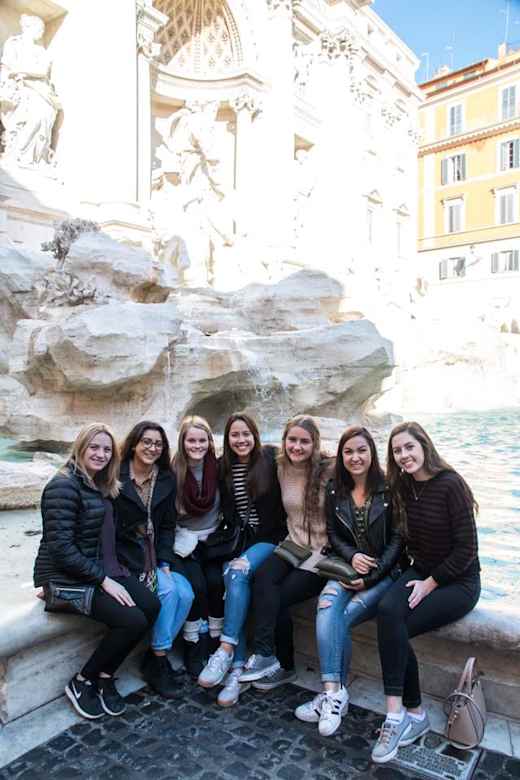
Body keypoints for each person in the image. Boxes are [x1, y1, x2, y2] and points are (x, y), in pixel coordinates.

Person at [33, 423, 160, 720]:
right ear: (80, 447)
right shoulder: (62, 485)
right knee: (131, 620)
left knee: (152, 605)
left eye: (106, 449)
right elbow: (61, 549)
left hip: (97, 569)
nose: (101, 454)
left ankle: (104, 677)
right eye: (94, 447)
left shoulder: (99, 484)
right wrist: (104, 581)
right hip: (64, 578)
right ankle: (82, 681)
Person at [371, 421, 480, 764]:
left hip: (459, 581)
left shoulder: (451, 485)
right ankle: (405, 714)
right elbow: (403, 539)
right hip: (421, 571)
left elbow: (467, 549)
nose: (404, 456)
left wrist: (431, 582)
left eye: (409, 447)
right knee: (388, 612)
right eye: (397, 451)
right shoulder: (403, 487)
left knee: (397, 626)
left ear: (424, 446)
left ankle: (409, 716)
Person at [295, 426, 403, 736]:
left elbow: (398, 541)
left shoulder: (390, 489)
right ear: (341, 456)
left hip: (384, 574)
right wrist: (353, 556)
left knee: (343, 615)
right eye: (348, 452)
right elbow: (333, 534)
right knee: (327, 606)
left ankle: (332, 696)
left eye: (361, 450)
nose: (355, 457)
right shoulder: (335, 489)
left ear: (372, 453)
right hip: (345, 568)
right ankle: (333, 692)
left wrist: (371, 576)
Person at [197, 413, 287, 706]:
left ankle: (224, 650)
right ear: (228, 439)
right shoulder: (224, 467)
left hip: (269, 540)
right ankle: (236, 670)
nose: (241, 440)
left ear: (255, 434)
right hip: (239, 541)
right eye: (234, 435)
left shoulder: (270, 459)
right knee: (232, 578)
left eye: (246, 433)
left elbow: (307, 460)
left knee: (236, 574)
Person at [239, 415, 334, 685]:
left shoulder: (329, 470)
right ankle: (265, 655)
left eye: (305, 442)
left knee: (277, 598)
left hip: (322, 553)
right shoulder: (280, 465)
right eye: (292, 440)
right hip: (293, 544)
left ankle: (285, 664)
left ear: (315, 444)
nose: (297, 447)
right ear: (284, 441)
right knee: (262, 580)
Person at [115, 421, 194, 698]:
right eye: (147, 442)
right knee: (170, 591)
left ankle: (154, 654)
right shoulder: (116, 475)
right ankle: (159, 659)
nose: (152, 448)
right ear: (134, 443)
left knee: (186, 594)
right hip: (127, 557)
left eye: (158, 444)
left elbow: (168, 526)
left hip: (154, 555)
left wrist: (163, 561)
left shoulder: (166, 478)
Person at [170, 415, 224, 677]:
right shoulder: (174, 470)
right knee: (197, 587)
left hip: (213, 541)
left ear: (209, 442)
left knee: (216, 583)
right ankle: (193, 644)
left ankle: (215, 639)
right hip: (184, 542)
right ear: (183, 441)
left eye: (202, 440)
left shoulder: (219, 467)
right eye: (191, 440)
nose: (197, 445)